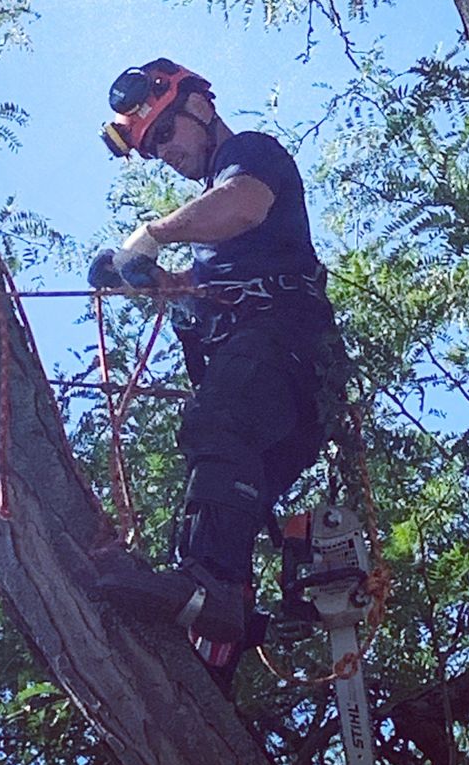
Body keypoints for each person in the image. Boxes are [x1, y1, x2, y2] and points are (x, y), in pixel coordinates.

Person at [91, 57, 345, 680]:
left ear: (200, 109)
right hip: (279, 393)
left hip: (280, 352)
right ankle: (231, 634)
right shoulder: (209, 228)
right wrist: (150, 281)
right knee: (229, 487)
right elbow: (199, 291)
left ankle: (212, 588)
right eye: (152, 149)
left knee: (217, 427)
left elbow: (244, 208)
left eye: (166, 135)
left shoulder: (250, 159)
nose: (166, 155)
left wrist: (151, 235)